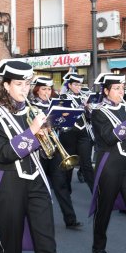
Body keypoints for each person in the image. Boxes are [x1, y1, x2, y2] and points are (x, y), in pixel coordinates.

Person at [0, 59, 72, 253]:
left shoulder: (34, 111)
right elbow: (3, 153)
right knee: (11, 248)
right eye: (19, 84)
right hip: (8, 186)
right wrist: (32, 132)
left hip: (37, 184)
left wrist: (47, 134)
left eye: (27, 83)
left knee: (47, 248)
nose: (24, 89)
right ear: (6, 86)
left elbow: (45, 153)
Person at [89, 73, 126, 253]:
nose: (121, 91)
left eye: (122, 88)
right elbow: (109, 138)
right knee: (104, 209)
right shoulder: (98, 112)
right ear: (106, 91)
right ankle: (98, 246)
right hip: (109, 167)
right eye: (116, 88)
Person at [32, 76, 82, 230]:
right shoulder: (31, 106)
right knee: (38, 187)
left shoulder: (56, 105)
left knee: (61, 185)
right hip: (38, 150)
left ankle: (70, 219)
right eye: (43, 89)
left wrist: (63, 124)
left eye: (49, 89)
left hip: (54, 148)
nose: (47, 92)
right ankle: (40, 222)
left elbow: (63, 126)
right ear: (37, 90)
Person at [59, 73, 95, 191]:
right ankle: (67, 190)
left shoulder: (85, 97)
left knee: (87, 165)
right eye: (75, 84)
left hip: (83, 134)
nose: (78, 87)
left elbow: (90, 118)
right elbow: (61, 117)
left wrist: (88, 108)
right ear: (69, 85)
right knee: (69, 164)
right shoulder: (63, 97)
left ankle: (96, 194)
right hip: (69, 134)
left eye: (80, 84)